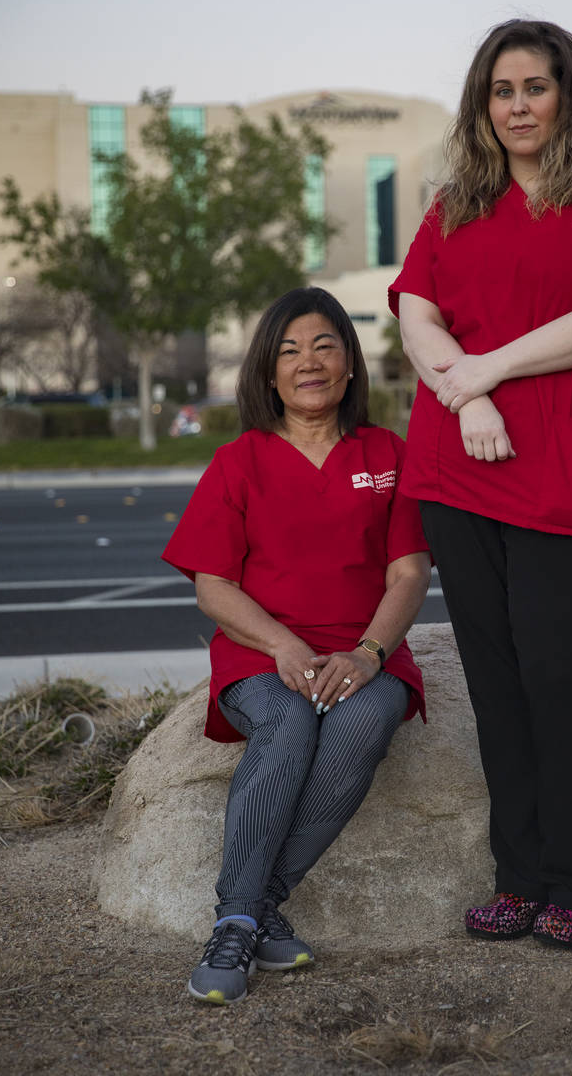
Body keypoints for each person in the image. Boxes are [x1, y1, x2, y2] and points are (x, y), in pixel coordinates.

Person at [389, 19, 572, 951]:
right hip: (462, 475)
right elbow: (416, 317)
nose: (516, 106)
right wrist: (462, 391)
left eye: (534, 87)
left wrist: (484, 372)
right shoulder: (454, 207)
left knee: (559, 675)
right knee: (500, 684)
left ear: (569, 96)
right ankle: (516, 877)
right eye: (500, 90)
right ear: (483, 106)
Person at [162, 286, 430, 1004]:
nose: (306, 362)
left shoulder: (388, 454)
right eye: (287, 351)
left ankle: (250, 910)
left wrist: (369, 655)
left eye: (322, 345)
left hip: (363, 650)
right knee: (286, 722)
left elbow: (409, 572)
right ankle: (242, 918)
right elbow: (212, 586)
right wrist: (282, 647)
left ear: (348, 363)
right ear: (267, 373)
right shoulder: (238, 462)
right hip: (264, 652)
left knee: (363, 720)